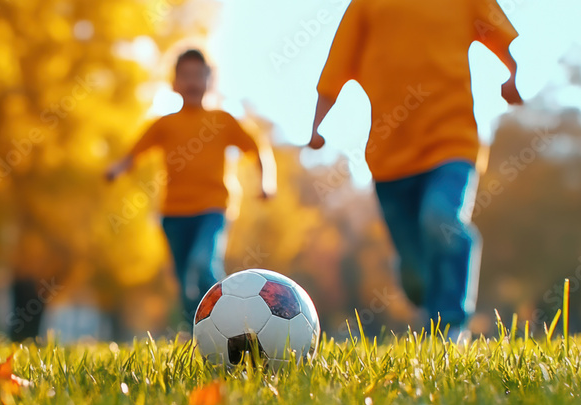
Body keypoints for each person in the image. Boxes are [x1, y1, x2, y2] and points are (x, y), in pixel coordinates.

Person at [309, 0, 523, 340]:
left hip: (452, 143)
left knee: (441, 220)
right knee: (417, 279)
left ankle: (452, 326)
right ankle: (419, 280)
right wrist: (317, 125)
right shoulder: (366, 6)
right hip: (389, 160)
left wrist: (512, 74)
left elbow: (502, 34)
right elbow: (337, 65)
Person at [106, 49, 268, 326]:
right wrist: (117, 168)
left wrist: (267, 181)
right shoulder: (164, 124)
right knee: (183, 281)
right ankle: (198, 332)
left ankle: (230, 321)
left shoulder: (223, 121)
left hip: (213, 208)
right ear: (174, 83)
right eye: (186, 76)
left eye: (199, 75)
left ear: (210, 80)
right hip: (174, 214)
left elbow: (257, 149)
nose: (192, 82)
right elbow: (134, 153)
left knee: (202, 264)